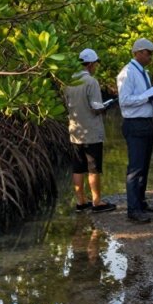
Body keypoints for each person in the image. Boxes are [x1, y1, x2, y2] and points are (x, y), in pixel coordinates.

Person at [63, 48, 117, 214]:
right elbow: (96, 108)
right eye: (95, 65)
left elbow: (67, 104)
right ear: (91, 64)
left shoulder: (68, 81)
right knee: (93, 168)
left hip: (74, 131)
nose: (95, 68)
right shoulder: (91, 82)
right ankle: (97, 202)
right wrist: (108, 105)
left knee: (78, 168)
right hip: (91, 132)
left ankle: (81, 202)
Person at [117, 38, 153, 223]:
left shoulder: (144, 72)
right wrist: (148, 96)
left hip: (145, 122)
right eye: (148, 53)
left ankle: (141, 202)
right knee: (135, 168)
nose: (151, 56)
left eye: (151, 53)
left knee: (144, 165)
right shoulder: (127, 73)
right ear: (138, 53)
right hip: (134, 123)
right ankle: (133, 209)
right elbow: (125, 100)